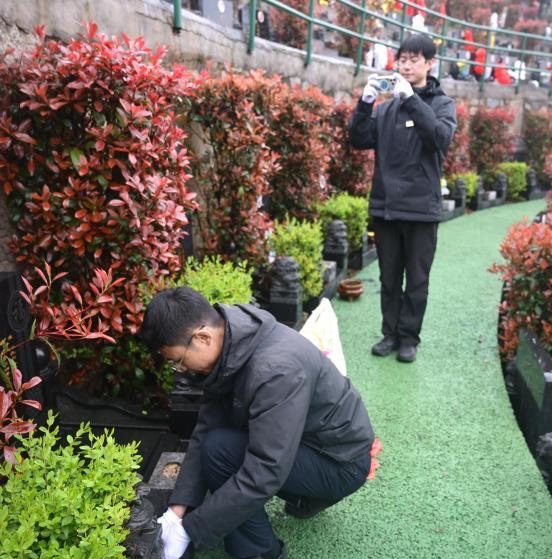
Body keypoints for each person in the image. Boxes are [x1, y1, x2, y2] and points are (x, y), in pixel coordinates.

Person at [141, 287, 375, 559]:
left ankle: (263, 553)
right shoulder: (233, 342)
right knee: (215, 441)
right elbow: (206, 427)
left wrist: (190, 530)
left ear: (203, 337)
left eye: (178, 361)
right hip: (308, 440)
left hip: (339, 462)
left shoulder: (276, 370)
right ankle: (303, 497)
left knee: (220, 452)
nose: (181, 369)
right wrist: (177, 510)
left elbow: (265, 470)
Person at [348, 34, 457, 363]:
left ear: (429, 63)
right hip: (387, 207)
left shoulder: (441, 104)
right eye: (402, 60)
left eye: (414, 60)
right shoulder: (387, 108)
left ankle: (409, 337)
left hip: (421, 209)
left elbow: (439, 137)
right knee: (389, 277)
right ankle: (390, 333)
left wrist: (411, 99)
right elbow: (358, 139)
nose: (406, 66)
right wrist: (365, 103)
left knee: (417, 280)